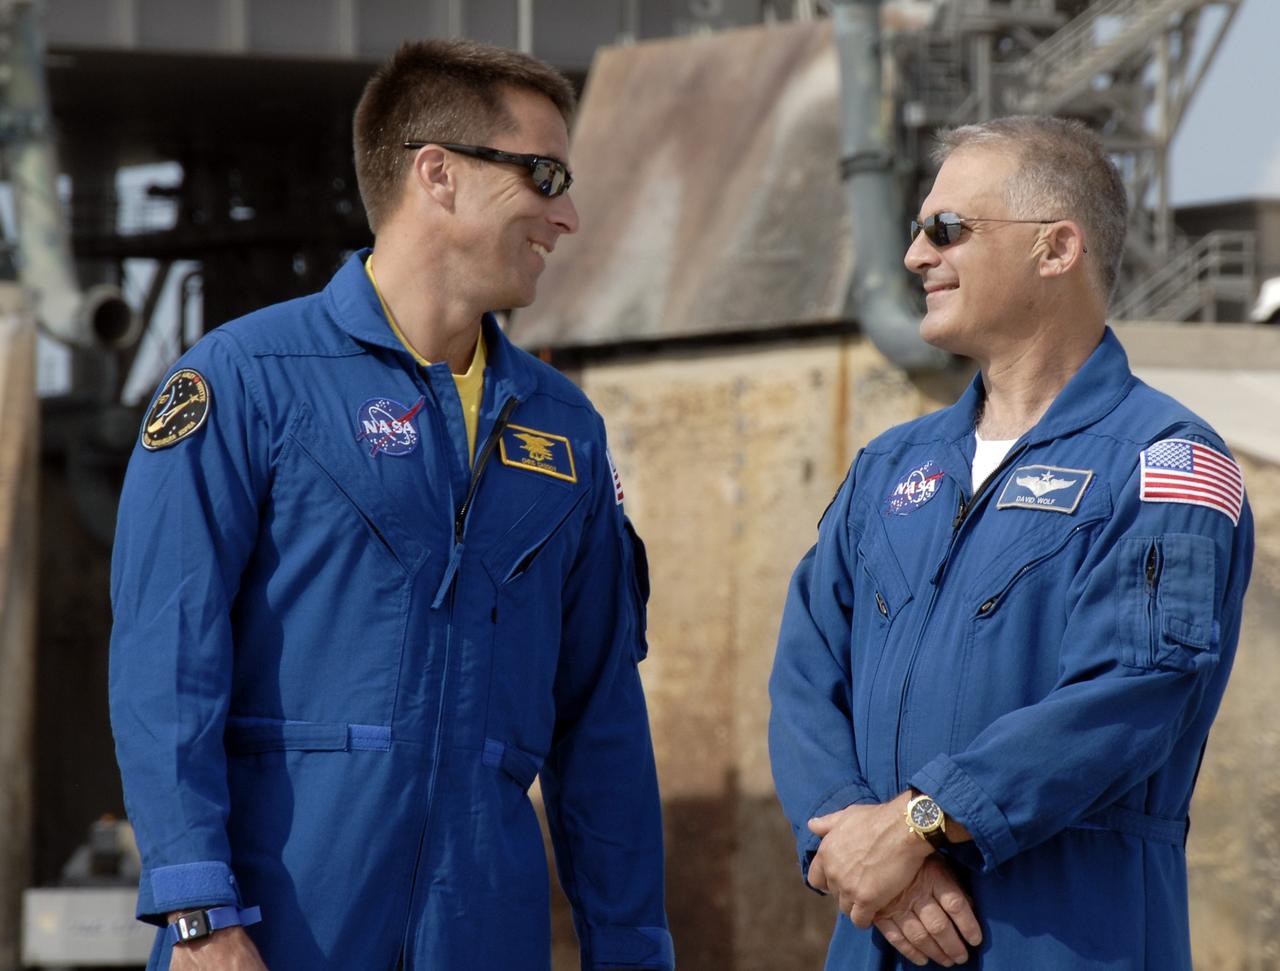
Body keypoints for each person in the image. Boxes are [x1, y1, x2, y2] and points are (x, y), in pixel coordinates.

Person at [109, 39, 673, 971]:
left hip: (482, 925)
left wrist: (634, 951)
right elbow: (166, 664)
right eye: (544, 175)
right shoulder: (245, 381)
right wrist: (199, 911)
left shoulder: (566, 431)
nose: (567, 215)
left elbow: (601, 719)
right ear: (439, 174)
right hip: (277, 926)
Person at [768, 115, 1253, 969]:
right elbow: (805, 675)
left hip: (1070, 930)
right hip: (880, 929)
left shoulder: (1167, 462)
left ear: (1056, 248)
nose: (917, 255)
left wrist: (920, 821)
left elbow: (1131, 694)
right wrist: (859, 835)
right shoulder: (890, 468)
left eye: (946, 229)